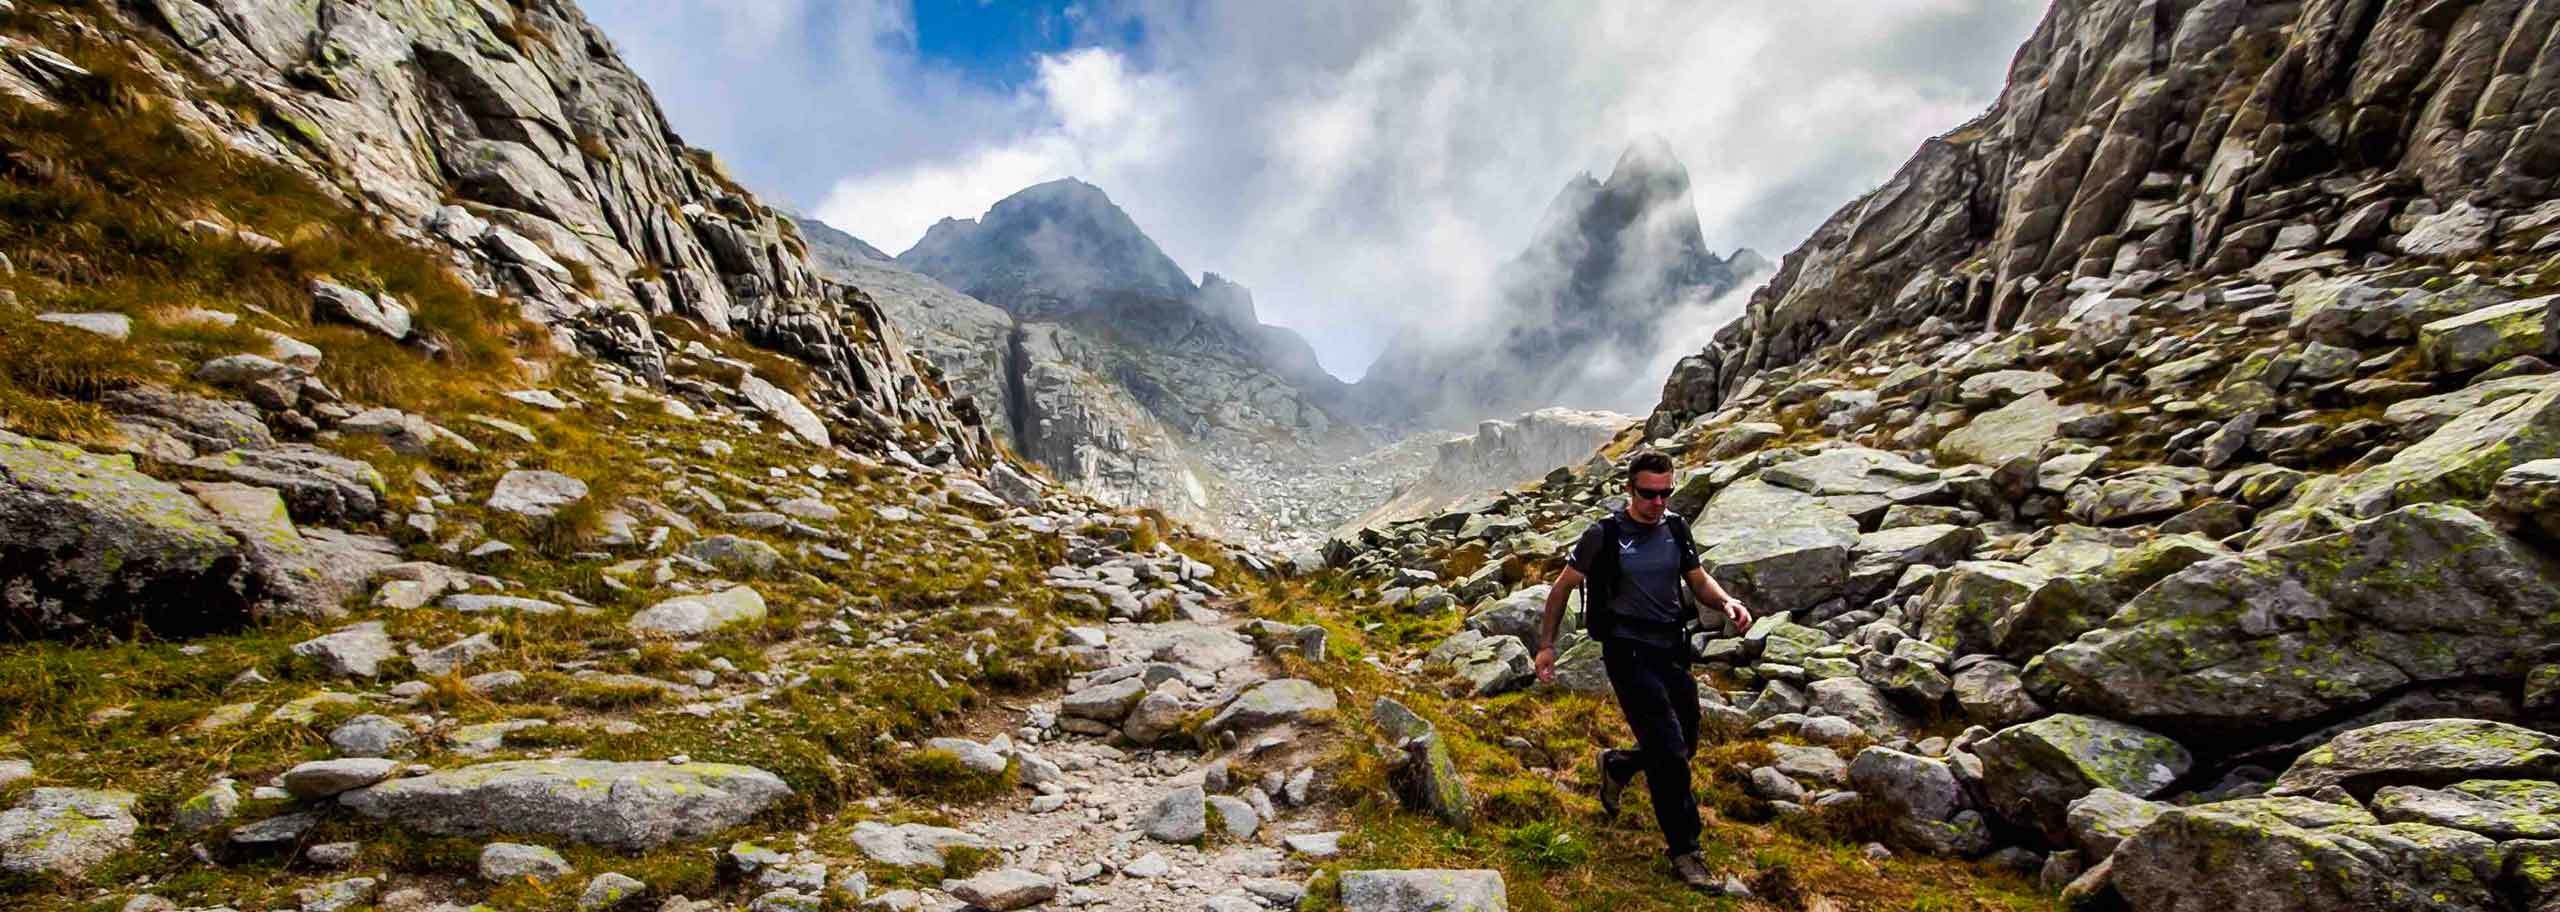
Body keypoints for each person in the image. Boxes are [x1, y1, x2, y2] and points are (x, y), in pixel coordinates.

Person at [1532, 450, 1752, 889]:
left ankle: (1618, 766)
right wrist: (1547, 646)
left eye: (1665, 492)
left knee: (1685, 739)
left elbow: (1697, 578)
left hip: (1671, 647)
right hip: (1626, 652)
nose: (1658, 502)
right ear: (1629, 490)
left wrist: (1726, 601)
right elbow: (1562, 589)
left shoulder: (1676, 527)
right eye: (1649, 494)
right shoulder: (1604, 534)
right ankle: (1686, 850)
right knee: (1669, 752)